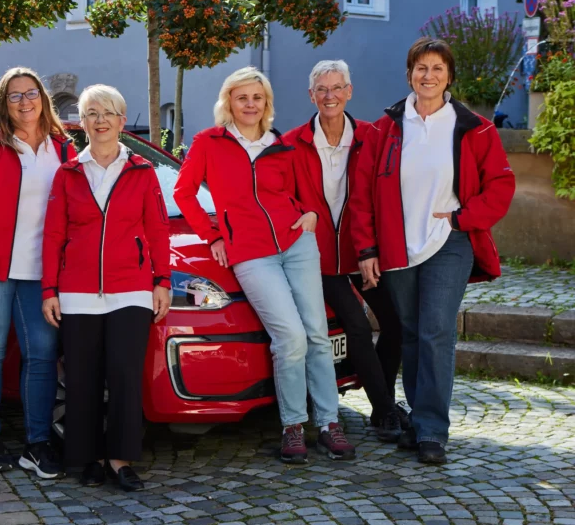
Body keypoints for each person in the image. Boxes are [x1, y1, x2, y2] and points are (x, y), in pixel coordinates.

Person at [174, 66, 356, 464]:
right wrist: (214, 236)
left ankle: (328, 423)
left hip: (297, 244)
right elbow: (183, 193)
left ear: (266, 103)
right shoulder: (209, 143)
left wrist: (309, 214)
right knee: (289, 336)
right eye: (242, 98)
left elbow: (308, 192)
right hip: (251, 253)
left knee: (316, 334)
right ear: (229, 102)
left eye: (257, 98)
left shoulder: (283, 145)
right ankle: (293, 426)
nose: (250, 105)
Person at [352, 38, 515, 465]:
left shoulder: (473, 127)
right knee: (408, 331)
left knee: (436, 331)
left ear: (449, 76)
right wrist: (366, 247)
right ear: (409, 74)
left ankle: (432, 432)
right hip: (397, 247)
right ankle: (420, 421)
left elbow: (501, 184)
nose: (428, 76)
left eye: (437, 68)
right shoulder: (385, 128)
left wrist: (463, 217)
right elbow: (362, 194)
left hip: (449, 241)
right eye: (420, 68)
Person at [41, 85, 171, 491]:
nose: (100, 120)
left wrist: (162, 281)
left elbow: (157, 230)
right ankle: (89, 458)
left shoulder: (142, 171)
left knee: (125, 375)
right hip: (77, 292)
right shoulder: (68, 173)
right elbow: (53, 235)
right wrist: (50, 290)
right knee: (82, 379)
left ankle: (120, 459)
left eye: (108, 113)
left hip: (130, 290)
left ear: (121, 119)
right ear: (82, 122)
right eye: (92, 113)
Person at [0, 67, 74, 479]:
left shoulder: (63, 147)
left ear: (44, 98)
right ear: (2, 104)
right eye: (15, 96)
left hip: (42, 272)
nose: (25, 102)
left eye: (32, 93)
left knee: (40, 355)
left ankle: (37, 444)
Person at [284, 60, 404, 443]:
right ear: (311, 95)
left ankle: (380, 399)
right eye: (322, 89)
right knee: (355, 322)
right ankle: (385, 412)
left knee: (397, 322)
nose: (330, 96)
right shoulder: (291, 143)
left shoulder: (372, 137)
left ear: (349, 91)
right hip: (317, 258)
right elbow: (282, 197)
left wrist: (374, 248)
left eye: (337, 88)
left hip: (363, 250)